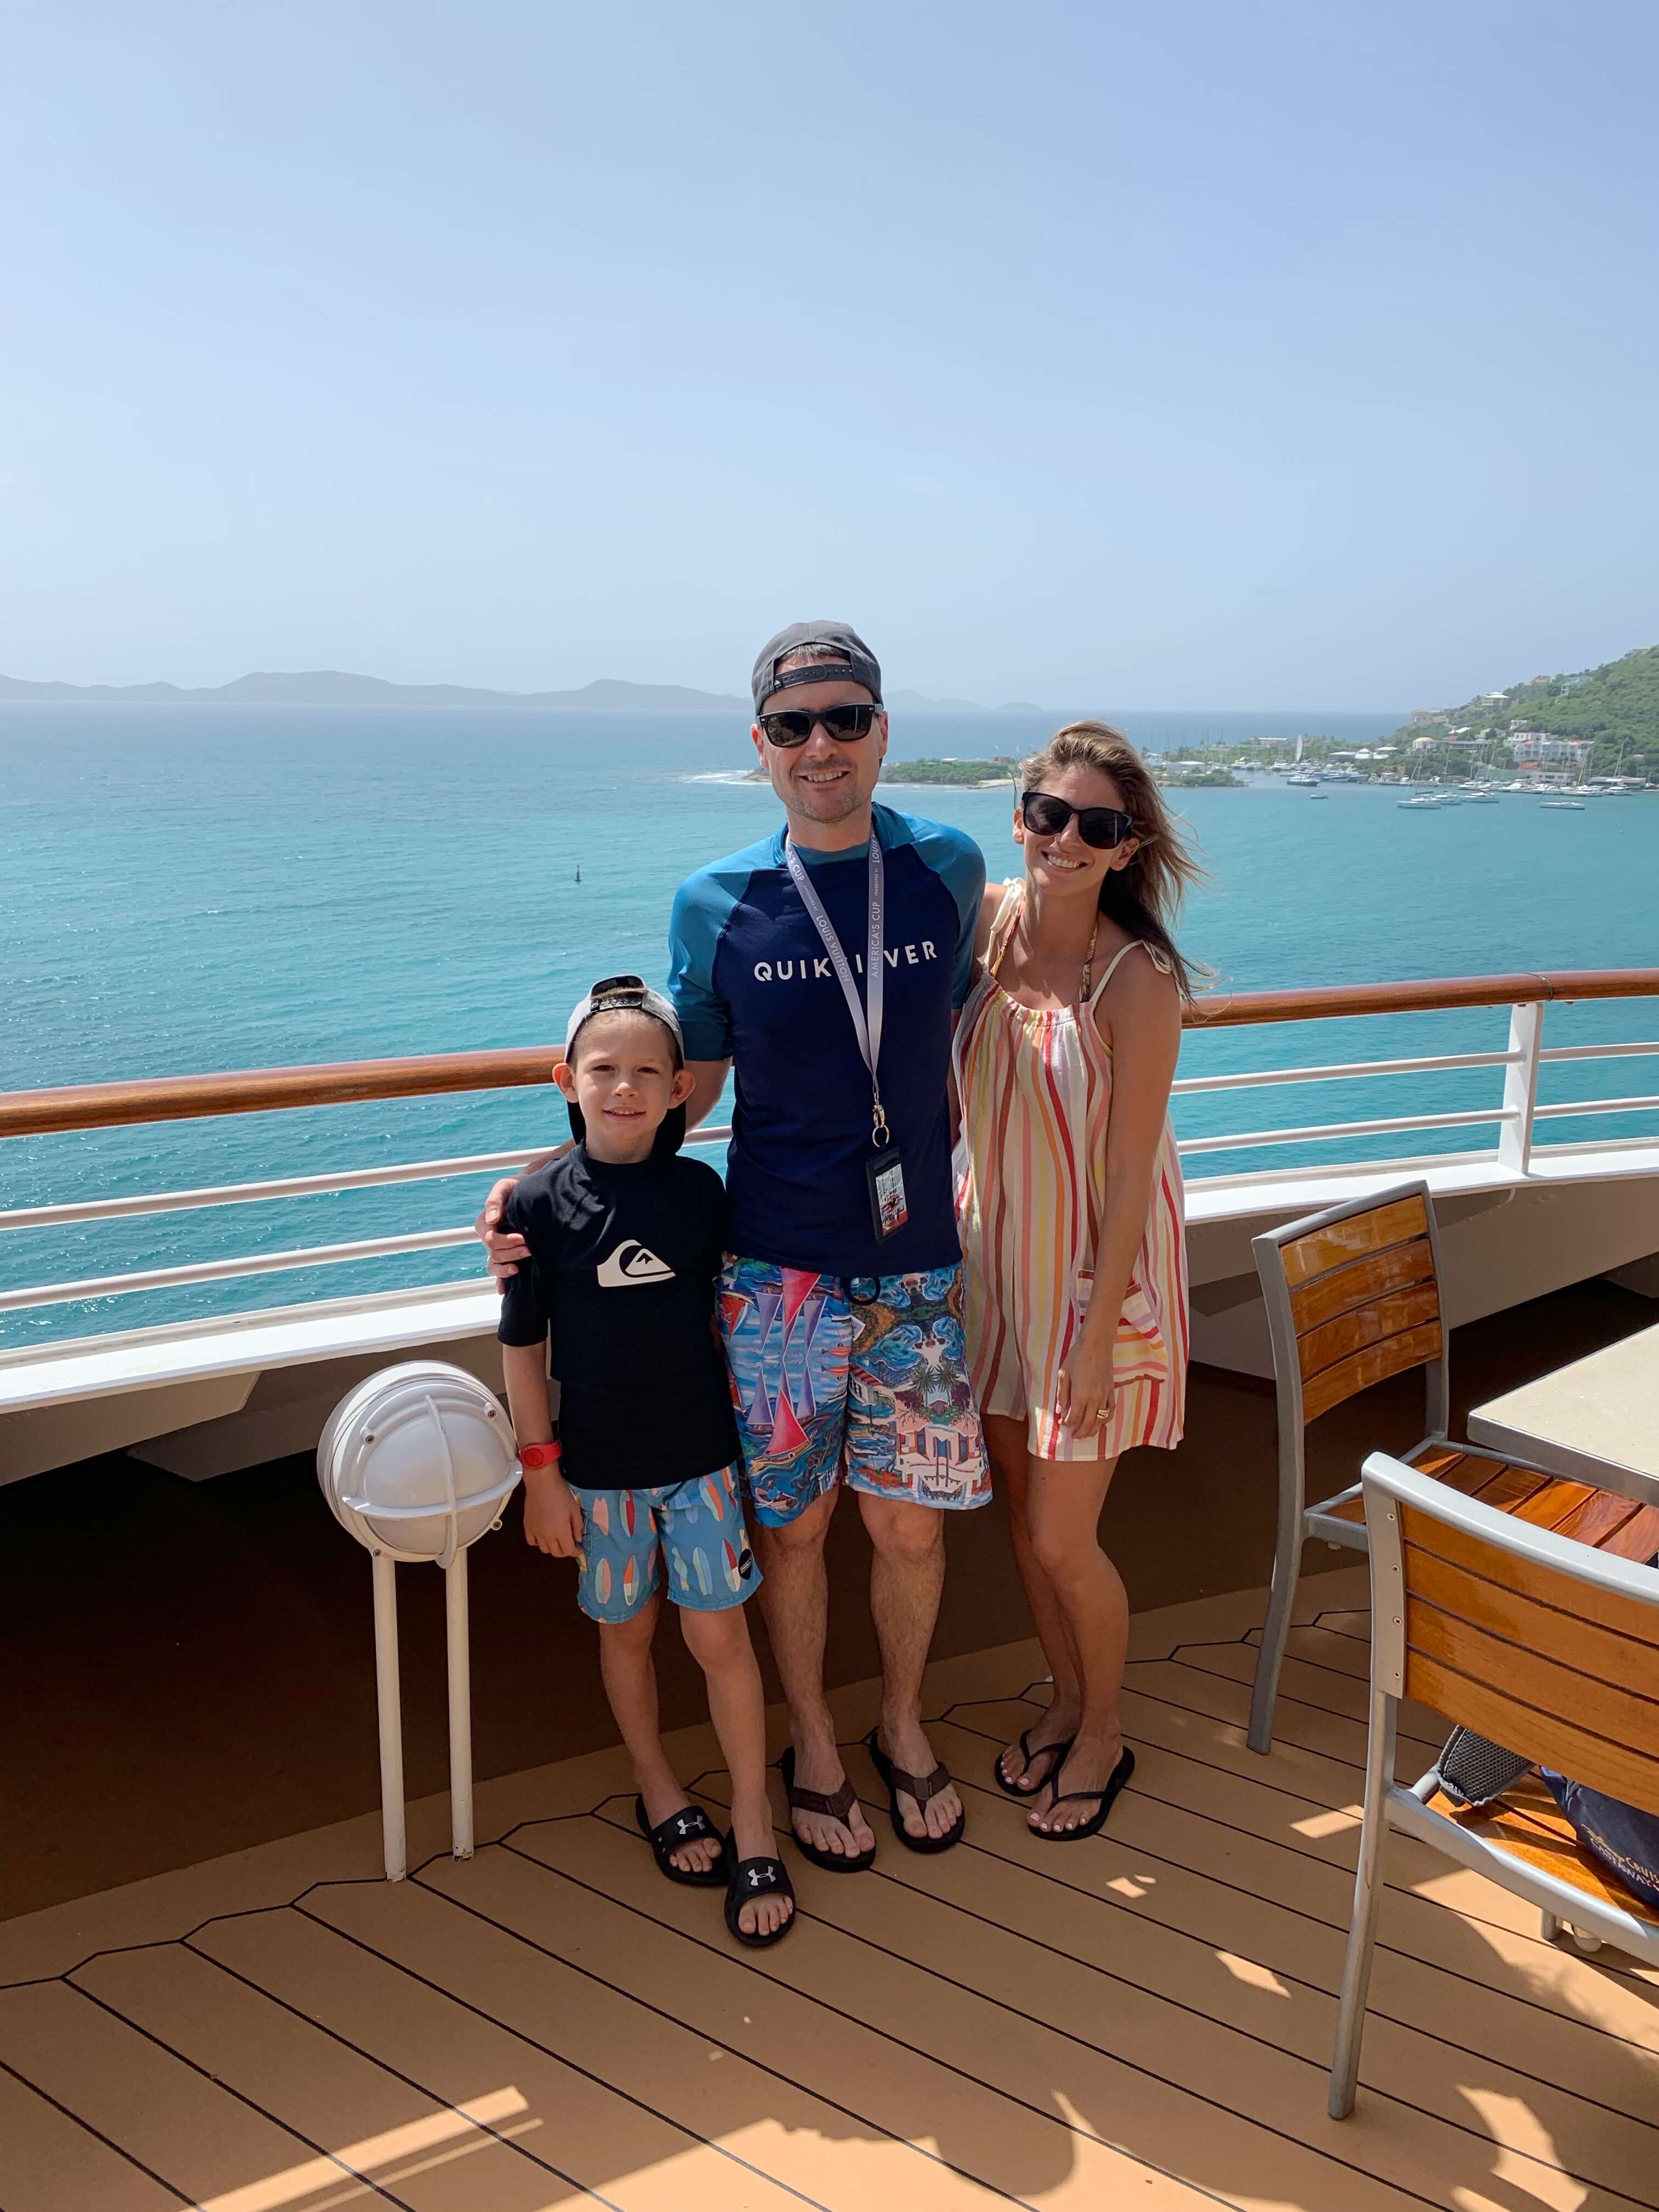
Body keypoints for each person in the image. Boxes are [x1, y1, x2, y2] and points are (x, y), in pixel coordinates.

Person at [482, 622, 988, 1869]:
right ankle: (812, 1741)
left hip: (917, 1263)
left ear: (882, 731)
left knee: (911, 1529)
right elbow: (681, 1090)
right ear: (760, 745)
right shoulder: (714, 902)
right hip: (774, 1270)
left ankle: (902, 1722)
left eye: (845, 719)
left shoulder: (948, 866)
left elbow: (975, 1017)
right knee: (797, 1530)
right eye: (793, 725)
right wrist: (541, 1189)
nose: (821, 746)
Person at [497, 973, 794, 1947]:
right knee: (625, 1633)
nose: (623, 1088)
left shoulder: (700, 1194)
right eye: (603, 1070)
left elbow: (730, 1310)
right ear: (567, 1082)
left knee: (722, 1640)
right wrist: (541, 1474)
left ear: (681, 1090)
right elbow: (523, 1350)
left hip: (702, 1459)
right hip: (596, 1473)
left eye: (646, 1073)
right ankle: (657, 1783)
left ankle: (753, 1818)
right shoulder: (536, 1205)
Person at [954, 723, 1195, 1839]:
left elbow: (1134, 1170)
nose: (1067, 839)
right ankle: (1065, 1699)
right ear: (1021, 819)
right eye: (1050, 815)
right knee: (1021, 1516)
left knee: (1062, 1537)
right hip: (993, 1271)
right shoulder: (986, 927)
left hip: (1092, 1287)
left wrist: (1098, 1340)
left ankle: (1105, 1730)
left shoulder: (1137, 979)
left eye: (1096, 826)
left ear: (1126, 846)